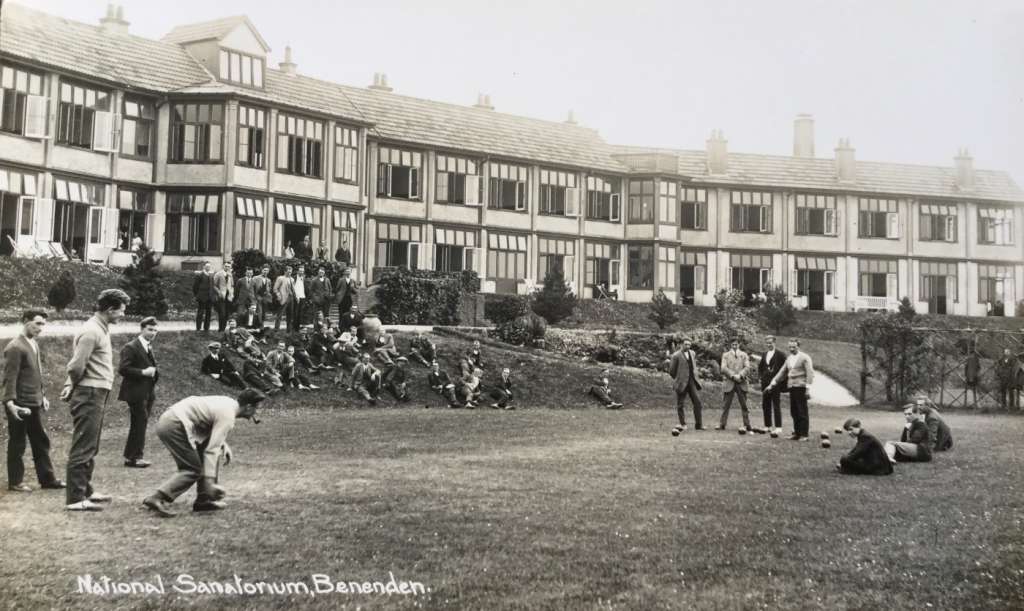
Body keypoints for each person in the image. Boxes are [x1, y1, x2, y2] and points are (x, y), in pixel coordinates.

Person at [142, 390, 266, 517]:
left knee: (210, 455)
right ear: (248, 407)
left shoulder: (229, 404)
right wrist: (210, 483)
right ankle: (156, 497)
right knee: (192, 468)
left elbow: (209, 422)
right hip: (174, 423)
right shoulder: (228, 414)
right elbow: (211, 450)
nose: (258, 412)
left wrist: (223, 445)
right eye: (257, 408)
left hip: (172, 419)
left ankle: (204, 500)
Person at [61, 288, 130, 511]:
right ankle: (75, 498)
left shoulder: (101, 329)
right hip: (89, 392)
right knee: (84, 445)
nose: (122, 315)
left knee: (92, 444)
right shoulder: (92, 331)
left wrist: (72, 383)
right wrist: (72, 384)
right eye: (121, 311)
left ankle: (86, 490)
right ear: (110, 309)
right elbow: (76, 366)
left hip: (96, 392)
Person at [2, 310, 64, 492]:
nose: (41, 328)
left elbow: (34, 375)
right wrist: (10, 403)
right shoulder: (15, 347)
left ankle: (47, 480)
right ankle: (16, 482)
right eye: (37, 323)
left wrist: (42, 395)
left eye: (43, 324)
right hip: (20, 404)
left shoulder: (33, 344)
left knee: (40, 440)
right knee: (18, 441)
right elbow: (9, 378)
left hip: (33, 401)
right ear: (25, 321)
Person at [117, 317, 160, 469]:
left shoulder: (148, 346)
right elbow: (123, 369)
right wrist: (143, 372)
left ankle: (131, 456)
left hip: (147, 391)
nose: (153, 333)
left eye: (155, 330)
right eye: (150, 329)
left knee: (140, 423)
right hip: (135, 392)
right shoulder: (131, 347)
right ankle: (136, 457)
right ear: (142, 329)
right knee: (140, 422)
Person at [765, 339, 814, 441]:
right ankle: (796, 433)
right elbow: (782, 372)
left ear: (798, 347)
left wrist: (807, 389)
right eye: (790, 347)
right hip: (791, 387)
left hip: (801, 387)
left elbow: (810, 373)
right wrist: (772, 384)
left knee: (802, 411)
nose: (791, 349)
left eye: (794, 347)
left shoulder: (805, 358)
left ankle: (804, 435)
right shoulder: (789, 359)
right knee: (794, 411)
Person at [668, 337, 704, 434]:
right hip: (681, 383)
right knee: (680, 404)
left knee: (697, 402)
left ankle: (699, 425)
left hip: (692, 382)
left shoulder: (692, 353)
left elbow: (693, 366)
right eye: (685, 344)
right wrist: (679, 378)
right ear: (681, 345)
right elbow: (671, 371)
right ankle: (683, 424)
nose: (687, 346)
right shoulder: (676, 355)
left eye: (689, 344)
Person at [718, 339, 753, 432]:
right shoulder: (725, 355)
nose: (734, 345)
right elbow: (723, 368)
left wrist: (740, 375)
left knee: (744, 405)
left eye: (736, 344)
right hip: (730, 382)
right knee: (725, 405)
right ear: (730, 344)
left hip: (741, 382)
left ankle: (747, 424)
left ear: (739, 344)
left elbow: (747, 367)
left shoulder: (744, 355)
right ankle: (722, 424)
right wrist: (733, 375)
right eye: (733, 344)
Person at [758, 335, 787, 436]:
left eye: (770, 343)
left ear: (774, 343)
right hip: (765, 383)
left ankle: (778, 427)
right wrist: (761, 377)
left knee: (776, 405)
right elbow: (761, 367)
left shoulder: (781, 355)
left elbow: (786, 369)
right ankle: (767, 426)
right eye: (767, 343)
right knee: (765, 404)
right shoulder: (764, 354)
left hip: (776, 383)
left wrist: (781, 381)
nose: (768, 345)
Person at [192, 262, 215, 332]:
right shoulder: (200, 275)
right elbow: (195, 287)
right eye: (207, 266)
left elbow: (212, 286)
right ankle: (198, 328)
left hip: (209, 297)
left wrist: (212, 295)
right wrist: (197, 295)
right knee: (200, 313)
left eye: (209, 266)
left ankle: (206, 328)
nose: (208, 268)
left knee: (208, 313)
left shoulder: (211, 276)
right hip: (202, 297)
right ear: (204, 267)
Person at [212, 262, 235, 332]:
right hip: (221, 296)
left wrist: (232, 293)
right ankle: (220, 329)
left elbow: (232, 285)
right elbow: (214, 285)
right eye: (226, 266)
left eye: (228, 266)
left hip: (229, 297)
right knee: (222, 313)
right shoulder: (218, 274)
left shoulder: (230, 275)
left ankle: (224, 329)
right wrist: (219, 292)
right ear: (223, 266)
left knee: (227, 314)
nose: (227, 268)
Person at [273, 265, 296, 332]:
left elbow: (293, 289)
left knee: (290, 315)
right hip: (283, 298)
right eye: (288, 271)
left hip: (291, 298)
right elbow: (275, 289)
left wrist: (295, 297)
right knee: (279, 315)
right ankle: (276, 330)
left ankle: (288, 330)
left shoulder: (292, 279)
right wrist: (279, 296)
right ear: (285, 271)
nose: (289, 273)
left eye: (290, 272)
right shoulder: (280, 278)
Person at [292, 265, 308, 330]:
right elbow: (292, 288)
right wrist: (295, 296)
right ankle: (294, 327)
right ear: (297, 271)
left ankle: (297, 327)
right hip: (296, 297)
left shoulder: (304, 278)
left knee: (300, 313)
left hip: (302, 297)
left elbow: (305, 288)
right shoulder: (294, 278)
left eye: (302, 271)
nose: (301, 272)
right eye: (300, 271)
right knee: (295, 312)